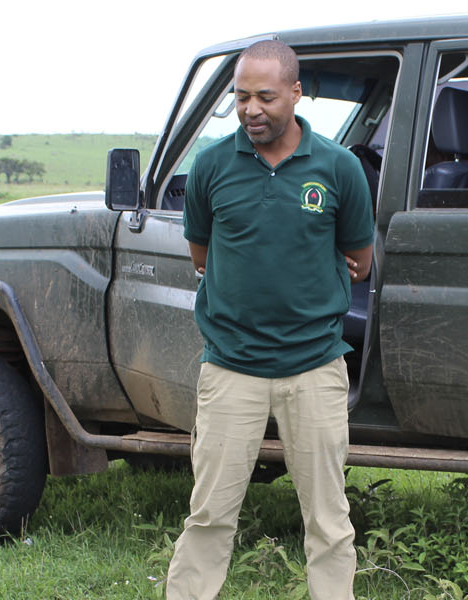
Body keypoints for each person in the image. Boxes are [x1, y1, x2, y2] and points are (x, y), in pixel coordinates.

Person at [165, 40, 374, 600]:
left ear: (297, 94)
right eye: (240, 97)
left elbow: (359, 259)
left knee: (329, 522)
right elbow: (202, 256)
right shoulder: (211, 166)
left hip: (315, 368)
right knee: (208, 515)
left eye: (265, 96)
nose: (251, 109)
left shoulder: (339, 167)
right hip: (231, 369)